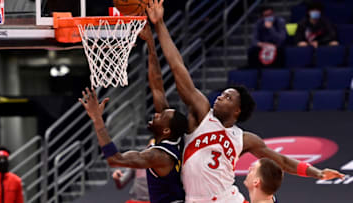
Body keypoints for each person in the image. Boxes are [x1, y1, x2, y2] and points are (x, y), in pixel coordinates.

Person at [146, 0, 345, 202]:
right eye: (222, 94)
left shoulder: (244, 139)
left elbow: (283, 161)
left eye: (228, 97)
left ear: (237, 111)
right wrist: (160, 24)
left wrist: (317, 173)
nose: (221, 97)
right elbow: (177, 66)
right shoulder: (201, 113)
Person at [79, 24, 187, 203]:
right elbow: (158, 86)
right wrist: (151, 46)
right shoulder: (175, 142)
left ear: (167, 130)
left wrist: (97, 119)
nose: (156, 114)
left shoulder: (159, 156)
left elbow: (115, 159)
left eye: (161, 116)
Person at [112, 139, 155, 203]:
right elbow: (120, 184)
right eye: (151, 146)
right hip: (136, 201)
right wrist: (116, 179)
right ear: (147, 147)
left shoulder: (166, 167)